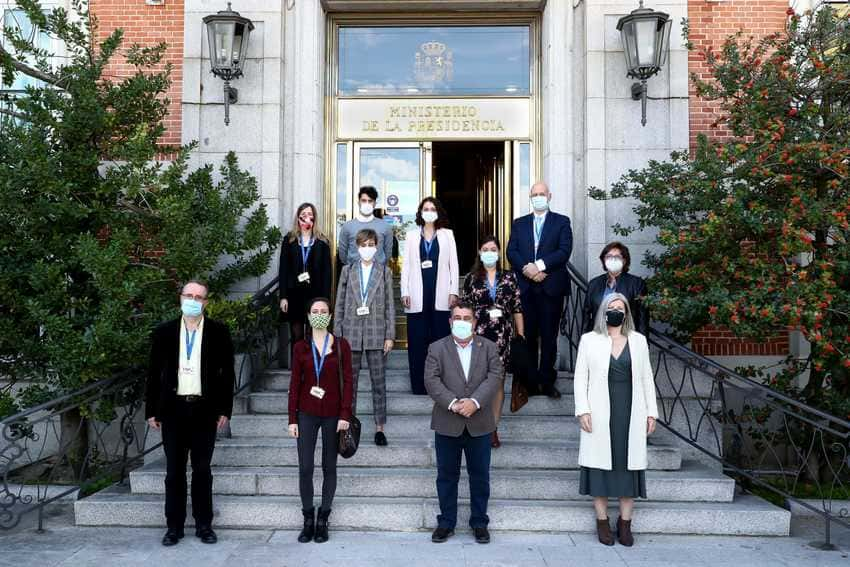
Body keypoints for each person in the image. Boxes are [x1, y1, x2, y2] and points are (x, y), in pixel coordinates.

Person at [145, 280, 235, 547]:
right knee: (174, 472)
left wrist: (225, 409)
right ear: (181, 298)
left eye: (199, 297)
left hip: (205, 411)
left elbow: (227, 374)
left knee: (202, 469)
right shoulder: (164, 332)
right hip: (173, 410)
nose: (194, 300)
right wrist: (151, 409)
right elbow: (153, 374)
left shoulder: (219, 332)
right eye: (189, 295)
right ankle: (174, 526)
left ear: (206, 302)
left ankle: (204, 524)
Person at [573, 293, 659, 547]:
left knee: (627, 466)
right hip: (598, 412)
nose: (616, 312)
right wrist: (583, 410)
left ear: (627, 313)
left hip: (631, 410)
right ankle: (602, 522)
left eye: (620, 308)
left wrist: (651, 412)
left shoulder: (639, 341)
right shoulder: (590, 340)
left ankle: (625, 523)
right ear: (603, 311)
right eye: (611, 307)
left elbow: (646, 378)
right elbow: (580, 378)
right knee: (599, 467)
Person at [424, 301, 502, 545]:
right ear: (450, 321)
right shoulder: (436, 348)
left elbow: (495, 376)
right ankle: (446, 522)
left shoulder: (488, 347)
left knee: (480, 476)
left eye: (466, 318)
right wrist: (455, 403)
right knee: (446, 476)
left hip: (480, 423)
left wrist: (475, 402)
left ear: (474, 322)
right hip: (448, 421)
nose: (462, 322)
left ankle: (479, 522)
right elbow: (431, 380)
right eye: (457, 317)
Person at [288, 297, 353, 544]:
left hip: (333, 415)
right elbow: (294, 384)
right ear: (308, 315)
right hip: (306, 413)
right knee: (305, 467)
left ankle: (324, 518)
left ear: (330, 315)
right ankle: (308, 518)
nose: (319, 314)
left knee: (329, 466)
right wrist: (292, 418)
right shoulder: (300, 348)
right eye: (314, 311)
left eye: (323, 311)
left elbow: (348, 383)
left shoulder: (341, 345)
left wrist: (345, 414)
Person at [506, 181, 573, 399]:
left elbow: (564, 251)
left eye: (542, 194)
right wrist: (528, 270)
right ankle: (531, 382)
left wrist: (540, 266)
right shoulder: (519, 223)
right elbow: (512, 251)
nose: (538, 197)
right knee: (529, 337)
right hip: (526, 288)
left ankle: (547, 381)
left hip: (550, 288)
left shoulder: (562, 222)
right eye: (534, 194)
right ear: (530, 197)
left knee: (549, 337)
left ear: (549, 196)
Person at [461, 236, 524, 448]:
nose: (489, 252)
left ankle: (492, 428)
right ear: (480, 252)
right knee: (478, 381)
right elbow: (465, 310)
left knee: (497, 383)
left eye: (493, 248)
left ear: (498, 253)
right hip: (478, 335)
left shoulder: (509, 277)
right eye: (485, 249)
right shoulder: (471, 278)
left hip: (502, 337)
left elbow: (517, 307)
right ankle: (477, 425)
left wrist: (520, 335)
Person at [334, 228, 395, 446]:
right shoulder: (347, 271)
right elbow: (339, 303)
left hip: (376, 334)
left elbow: (390, 304)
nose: (367, 249)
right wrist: (337, 334)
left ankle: (380, 428)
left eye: (371, 245)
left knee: (379, 384)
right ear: (356, 247)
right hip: (350, 334)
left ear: (376, 247)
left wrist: (390, 335)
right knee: (349, 385)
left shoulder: (384, 271)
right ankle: (348, 425)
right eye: (363, 245)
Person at [401, 197, 459, 395]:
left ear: (438, 211)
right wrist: (404, 291)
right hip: (417, 296)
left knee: (440, 341)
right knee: (417, 342)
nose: (429, 211)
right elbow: (406, 265)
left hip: (440, 295)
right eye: (425, 208)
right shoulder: (410, 236)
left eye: (432, 208)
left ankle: (439, 385)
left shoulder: (447, 235)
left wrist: (454, 291)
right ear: (420, 212)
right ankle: (418, 385)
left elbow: (454, 265)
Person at [278, 203, 332, 366]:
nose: (306, 217)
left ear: (314, 217)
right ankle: (297, 370)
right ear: (298, 216)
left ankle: (311, 369)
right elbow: (283, 270)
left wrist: (325, 300)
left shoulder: (322, 242)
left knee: (313, 334)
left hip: (315, 296)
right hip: (294, 295)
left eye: (310, 214)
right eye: (303, 213)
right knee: (296, 335)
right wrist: (283, 297)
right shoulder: (289, 240)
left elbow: (327, 273)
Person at [582, 242, 649, 336]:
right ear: (603, 260)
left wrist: (643, 344)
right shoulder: (594, 284)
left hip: (625, 337)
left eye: (617, 257)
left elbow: (643, 319)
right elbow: (586, 316)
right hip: (599, 337)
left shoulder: (637, 283)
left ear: (624, 260)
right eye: (609, 256)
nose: (612, 259)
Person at [337, 185, 394, 266]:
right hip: (354, 275)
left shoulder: (385, 227)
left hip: (378, 275)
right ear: (358, 202)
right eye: (363, 200)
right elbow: (343, 255)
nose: (367, 204)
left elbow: (387, 254)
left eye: (370, 201)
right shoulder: (347, 227)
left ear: (375, 204)